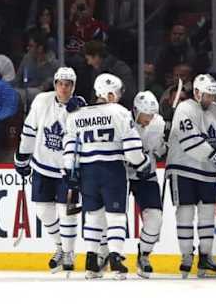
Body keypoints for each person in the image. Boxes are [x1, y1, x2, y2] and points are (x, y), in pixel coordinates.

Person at [63, 73, 150, 280]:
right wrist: (142, 163)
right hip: (112, 170)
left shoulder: (76, 114)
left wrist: (69, 171)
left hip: (87, 172)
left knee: (93, 215)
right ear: (109, 94)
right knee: (116, 215)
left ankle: (92, 262)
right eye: (117, 93)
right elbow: (131, 149)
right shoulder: (119, 112)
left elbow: (69, 147)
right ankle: (116, 259)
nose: (118, 97)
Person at [165, 73, 216, 278]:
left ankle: (206, 257)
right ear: (198, 92)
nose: (211, 99)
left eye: (213, 95)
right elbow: (192, 143)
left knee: (208, 212)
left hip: (208, 170)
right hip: (183, 168)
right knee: (185, 212)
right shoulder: (185, 109)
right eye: (208, 95)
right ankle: (186, 257)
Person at [14, 67, 85, 274]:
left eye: (68, 84)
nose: (63, 88)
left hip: (67, 170)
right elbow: (29, 130)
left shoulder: (80, 107)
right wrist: (22, 157)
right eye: (60, 83)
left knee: (67, 212)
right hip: (42, 166)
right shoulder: (41, 101)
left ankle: (70, 253)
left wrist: (80, 111)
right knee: (44, 211)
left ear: (73, 86)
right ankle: (60, 247)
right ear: (54, 84)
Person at [127, 90, 166, 278]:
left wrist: (165, 147)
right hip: (122, 175)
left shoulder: (158, 123)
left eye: (152, 115)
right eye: (145, 115)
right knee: (110, 218)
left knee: (155, 219)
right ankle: (103, 255)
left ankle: (144, 254)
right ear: (135, 110)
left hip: (146, 176)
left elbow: (159, 149)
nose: (149, 120)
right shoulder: (123, 121)